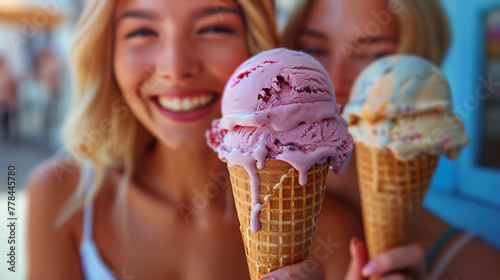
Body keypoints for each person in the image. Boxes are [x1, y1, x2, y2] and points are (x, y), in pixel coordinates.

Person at [27, 1, 363, 279]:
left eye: (213, 28)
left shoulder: (333, 231)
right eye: (142, 31)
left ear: (254, 45)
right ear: (108, 53)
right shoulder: (62, 198)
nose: (175, 66)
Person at [283, 0, 500, 279]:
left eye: (373, 56)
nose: (333, 81)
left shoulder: (476, 267)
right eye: (313, 49)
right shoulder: (241, 219)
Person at [0, 56, 18, 142]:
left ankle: (10, 134)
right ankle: (9, 133)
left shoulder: (8, 73)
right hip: (5, 100)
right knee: (8, 116)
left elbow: (13, 87)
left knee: (9, 115)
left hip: (7, 100)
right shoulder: (8, 73)